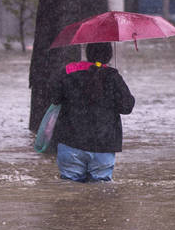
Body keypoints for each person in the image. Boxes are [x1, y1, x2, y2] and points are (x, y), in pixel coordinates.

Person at [50, 42, 135, 182]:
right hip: (103, 144)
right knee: (101, 191)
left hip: (70, 141)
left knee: (69, 189)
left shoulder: (69, 71)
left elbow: (54, 99)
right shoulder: (113, 77)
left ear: (88, 54)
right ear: (109, 56)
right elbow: (127, 107)